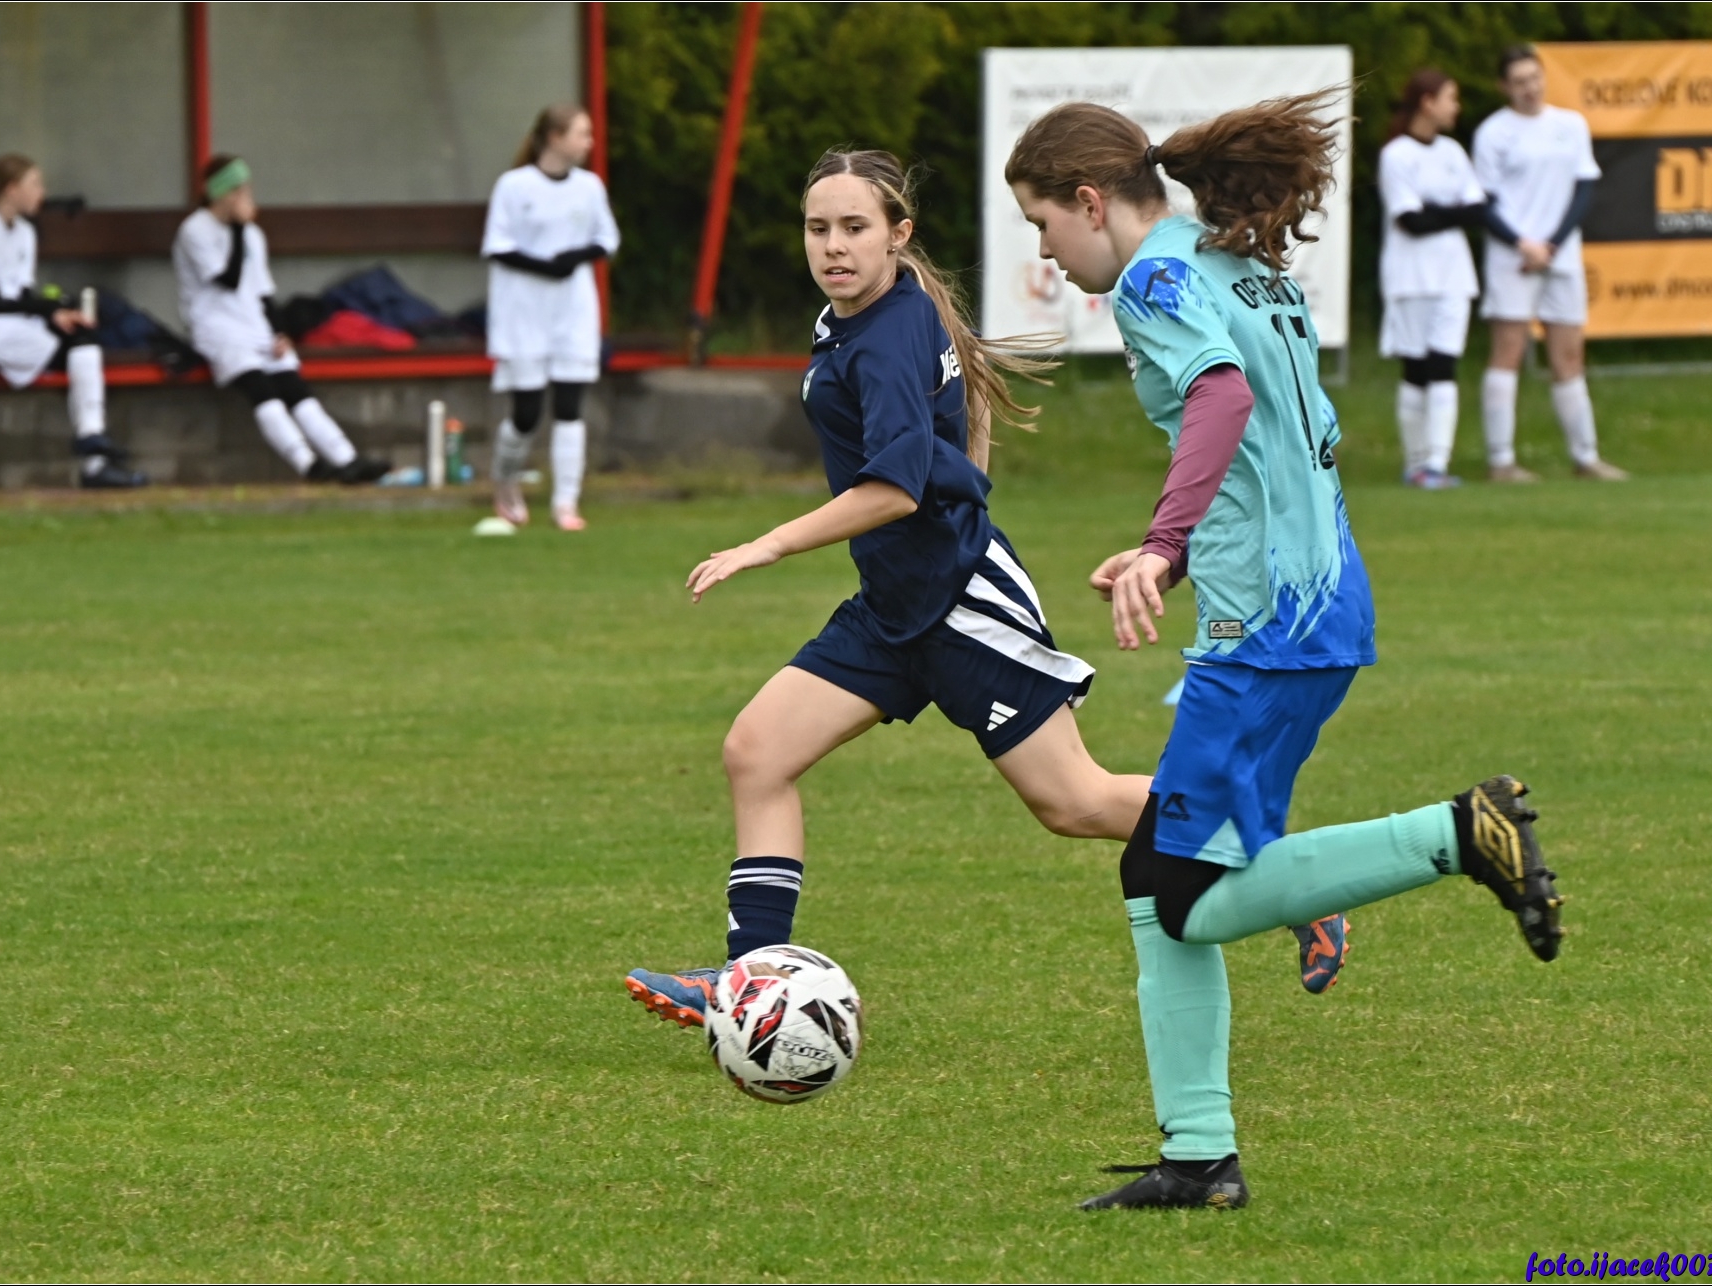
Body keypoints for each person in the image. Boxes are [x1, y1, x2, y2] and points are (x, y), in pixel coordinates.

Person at [622, 148, 1354, 1038]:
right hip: (895, 604)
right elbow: (952, 425)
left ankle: (1290, 878)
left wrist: (767, 544)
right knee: (756, 753)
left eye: (854, 228)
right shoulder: (864, 314)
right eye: (818, 229)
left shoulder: (888, 334)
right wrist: (959, 483)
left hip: (962, 604)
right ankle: (748, 981)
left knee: (1074, 801)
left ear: (899, 233)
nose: (834, 246)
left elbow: (895, 489)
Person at [1005, 95, 1567, 1211]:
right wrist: (1181, 544)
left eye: (1042, 225)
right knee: (1156, 875)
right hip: (1315, 601)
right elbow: (1281, 440)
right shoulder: (1238, 263)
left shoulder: (1157, 280)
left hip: (1266, 624)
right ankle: (1198, 1157)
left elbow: (1220, 399)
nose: (1047, 252)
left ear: (1089, 203)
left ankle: (1459, 831)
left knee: (1183, 898)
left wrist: (1163, 544)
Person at [173, 156, 389, 485]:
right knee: (263, 391)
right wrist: (237, 227)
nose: (246, 196)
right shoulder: (196, 229)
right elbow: (228, 279)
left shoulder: (253, 235)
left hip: (255, 325)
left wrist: (279, 332)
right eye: (238, 190)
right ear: (221, 194)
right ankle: (308, 464)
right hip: (218, 328)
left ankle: (347, 458)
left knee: (296, 389)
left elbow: (263, 291)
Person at [0, 154, 146, 488]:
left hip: (14, 325)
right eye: (35, 184)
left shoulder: (24, 232)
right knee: (78, 348)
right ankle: (93, 458)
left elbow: (22, 294)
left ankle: (93, 449)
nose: (42, 192)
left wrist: (57, 313)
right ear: (11, 189)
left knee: (82, 338)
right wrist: (52, 311)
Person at [1474, 45, 1628, 482]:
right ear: (1504, 87)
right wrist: (1522, 244)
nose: (1530, 88)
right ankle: (1501, 461)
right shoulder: (1493, 133)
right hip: (1513, 256)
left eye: (1534, 78)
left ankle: (1586, 457)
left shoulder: (1570, 124)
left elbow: (1584, 188)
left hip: (1561, 254)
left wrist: (1553, 244)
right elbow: (1483, 201)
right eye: (1519, 81)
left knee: (1569, 354)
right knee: (1507, 351)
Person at [479, 104, 619, 533]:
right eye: (581, 134)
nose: (589, 143)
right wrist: (544, 266)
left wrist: (573, 258)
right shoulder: (514, 185)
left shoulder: (589, 187)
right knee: (526, 412)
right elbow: (497, 245)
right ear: (555, 137)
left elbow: (606, 238)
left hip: (572, 312)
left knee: (570, 406)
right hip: (523, 313)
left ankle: (565, 503)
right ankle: (505, 482)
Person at [1379, 69, 1488, 489]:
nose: (1455, 107)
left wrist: (1436, 210)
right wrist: (1450, 211)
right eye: (1450, 98)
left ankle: (1437, 464)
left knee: (1444, 364)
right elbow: (1411, 220)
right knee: (1417, 368)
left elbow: (1476, 209)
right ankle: (1416, 463)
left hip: (1454, 276)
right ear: (1428, 102)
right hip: (1410, 277)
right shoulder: (1397, 155)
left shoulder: (1453, 152)